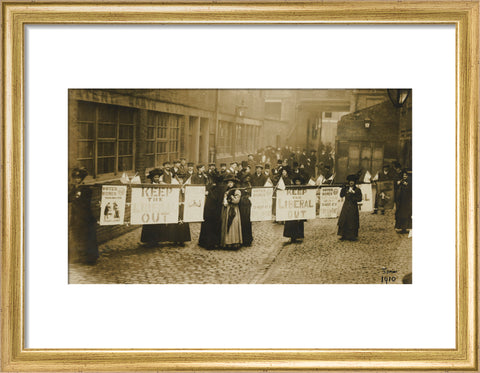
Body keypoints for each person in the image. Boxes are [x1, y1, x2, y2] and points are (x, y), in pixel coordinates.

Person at [68, 167, 99, 265]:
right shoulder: (75, 188)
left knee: (87, 237)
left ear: (82, 178)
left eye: (79, 178)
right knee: (78, 237)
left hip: (85, 216)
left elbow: (82, 202)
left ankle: (90, 258)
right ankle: (80, 257)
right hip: (76, 216)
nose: (77, 180)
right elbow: (68, 198)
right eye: (75, 178)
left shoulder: (86, 189)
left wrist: (75, 197)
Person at [140, 168, 164, 246]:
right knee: (150, 225)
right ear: (152, 178)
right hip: (150, 207)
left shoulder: (162, 185)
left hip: (159, 206)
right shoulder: (149, 186)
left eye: (158, 177)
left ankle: (157, 240)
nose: (157, 179)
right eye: (155, 177)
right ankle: (149, 240)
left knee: (158, 224)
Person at [198, 173, 223, 249]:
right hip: (215, 210)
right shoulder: (220, 188)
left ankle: (207, 242)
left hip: (210, 210)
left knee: (208, 226)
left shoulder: (211, 187)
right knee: (214, 226)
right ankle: (214, 242)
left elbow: (211, 198)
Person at [337, 174, 363, 241]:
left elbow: (359, 199)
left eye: (353, 181)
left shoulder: (357, 190)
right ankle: (343, 235)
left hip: (353, 207)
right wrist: (343, 188)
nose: (351, 183)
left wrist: (353, 195)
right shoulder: (346, 188)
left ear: (355, 182)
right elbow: (341, 195)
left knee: (352, 220)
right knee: (344, 220)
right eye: (350, 181)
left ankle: (352, 235)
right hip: (346, 206)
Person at [220, 176, 243, 249]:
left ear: (234, 183)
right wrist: (224, 201)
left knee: (233, 224)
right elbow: (223, 199)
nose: (229, 184)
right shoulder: (226, 191)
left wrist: (232, 197)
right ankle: (227, 242)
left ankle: (234, 242)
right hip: (227, 209)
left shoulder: (237, 191)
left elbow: (237, 201)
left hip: (234, 210)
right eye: (228, 183)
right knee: (227, 224)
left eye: (231, 182)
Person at [283, 177, 306, 244]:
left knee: (299, 223)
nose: (297, 183)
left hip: (299, 209)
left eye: (299, 181)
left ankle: (299, 235)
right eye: (296, 181)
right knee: (292, 224)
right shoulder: (291, 189)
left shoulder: (302, 189)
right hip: (292, 209)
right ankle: (292, 237)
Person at [239, 174, 253, 247]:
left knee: (247, 222)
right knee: (244, 222)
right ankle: (244, 239)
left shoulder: (248, 184)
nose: (247, 179)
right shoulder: (241, 185)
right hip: (242, 205)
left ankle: (247, 239)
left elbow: (251, 192)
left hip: (247, 205)